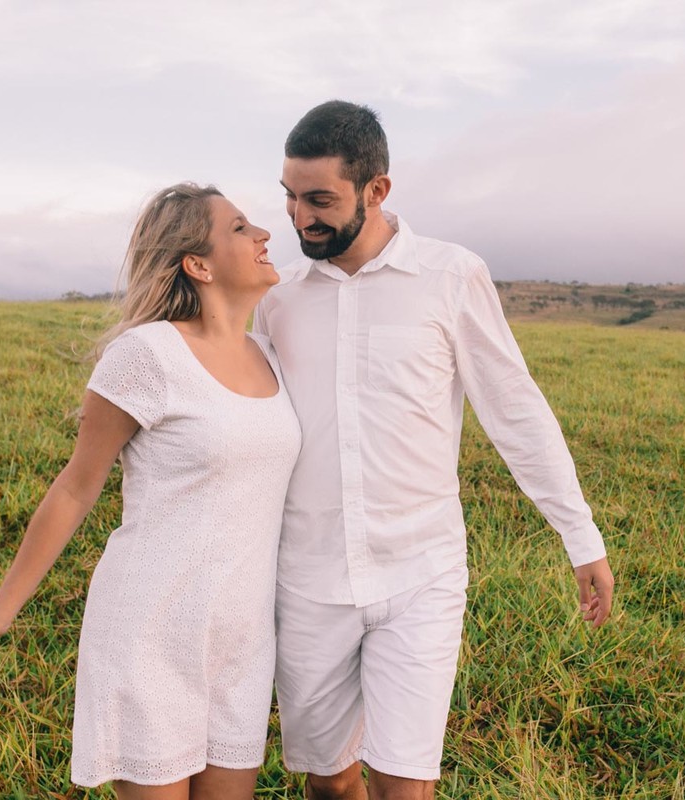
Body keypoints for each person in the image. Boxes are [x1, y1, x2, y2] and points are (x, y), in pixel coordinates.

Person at [253, 101, 615, 800]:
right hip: (308, 576)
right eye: (290, 198)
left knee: (405, 783)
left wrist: (581, 534)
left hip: (420, 572)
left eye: (320, 200)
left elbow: (515, 408)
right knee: (327, 783)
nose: (300, 219)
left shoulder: (451, 276)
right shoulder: (280, 295)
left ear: (377, 190)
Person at [0, 183, 300, 800]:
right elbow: (75, 490)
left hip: (242, 639)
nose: (266, 234)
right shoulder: (146, 355)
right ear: (198, 263)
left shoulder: (270, 353)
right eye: (241, 228)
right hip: (151, 631)